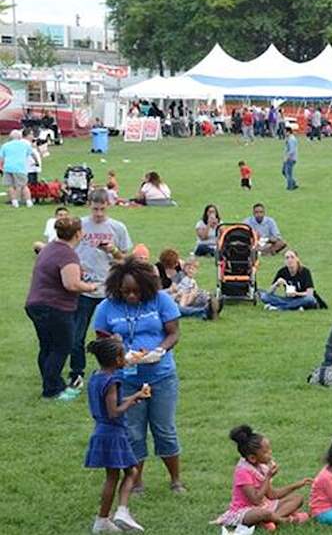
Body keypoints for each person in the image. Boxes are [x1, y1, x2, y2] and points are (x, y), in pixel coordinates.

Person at [92, 257, 184, 494]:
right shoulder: (106, 307)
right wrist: (116, 346)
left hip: (161, 374)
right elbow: (101, 341)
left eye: (136, 292)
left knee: (164, 428)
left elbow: (173, 333)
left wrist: (160, 350)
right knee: (132, 431)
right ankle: (136, 481)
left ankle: (175, 480)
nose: (132, 296)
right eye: (126, 292)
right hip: (126, 378)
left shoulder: (161, 300)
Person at [84, 337, 150, 533]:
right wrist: (131, 402)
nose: (125, 357)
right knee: (130, 472)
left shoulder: (96, 377)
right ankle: (119, 512)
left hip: (101, 431)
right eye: (122, 355)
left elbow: (109, 405)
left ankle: (105, 518)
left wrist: (135, 396)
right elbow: (114, 411)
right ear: (116, 360)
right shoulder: (113, 381)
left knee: (115, 475)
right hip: (113, 433)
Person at [27, 216, 98, 400]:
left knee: (47, 347)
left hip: (35, 304)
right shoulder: (68, 254)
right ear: (77, 234)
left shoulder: (49, 248)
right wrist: (90, 287)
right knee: (62, 346)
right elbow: (71, 284)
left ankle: (52, 384)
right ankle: (52, 390)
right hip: (55, 307)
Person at [73, 189, 132, 390]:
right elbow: (68, 250)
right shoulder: (79, 225)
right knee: (77, 334)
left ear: (108, 205)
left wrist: (112, 250)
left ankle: (117, 368)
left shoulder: (118, 227)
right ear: (89, 205)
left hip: (109, 288)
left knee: (115, 333)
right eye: (95, 208)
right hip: (84, 288)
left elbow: (126, 259)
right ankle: (77, 372)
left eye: (102, 209)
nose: (98, 213)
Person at [216, 425, 310, 530]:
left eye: (269, 449)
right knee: (263, 513)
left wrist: (297, 485)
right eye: (265, 452)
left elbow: (272, 495)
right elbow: (255, 500)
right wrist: (268, 477)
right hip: (246, 511)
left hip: (265, 506)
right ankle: (287, 520)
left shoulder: (261, 467)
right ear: (252, 458)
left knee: (298, 498)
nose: (270, 453)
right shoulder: (243, 472)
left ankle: (271, 520)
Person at [3, 129, 35, 207]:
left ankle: (14, 202)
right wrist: (36, 162)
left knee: (10, 186)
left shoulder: (5, 145)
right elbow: (31, 153)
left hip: (8, 167)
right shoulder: (25, 145)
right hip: (20, 167)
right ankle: (28, 202)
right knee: (23, 185)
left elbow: (2, 157)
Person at [282, 125, 299, 190]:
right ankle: (293, 183)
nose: (284, 133)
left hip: (290, 158)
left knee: (288, 173)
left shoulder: (291, 139)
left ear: (288, 132)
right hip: (289, 158)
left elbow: (292, 150)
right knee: (284, 171)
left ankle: (290, 186)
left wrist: (287, 157)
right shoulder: (289, 138)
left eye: (285, 132)